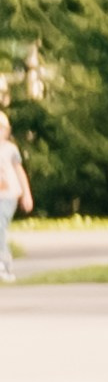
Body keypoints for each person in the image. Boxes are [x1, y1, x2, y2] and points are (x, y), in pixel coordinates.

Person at [0, 104, 30, 281]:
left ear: (7, 131)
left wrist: (26, 194)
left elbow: (19, 172)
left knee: (0, 226)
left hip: (8, 195)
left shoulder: (10, 149)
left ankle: (4, 264)